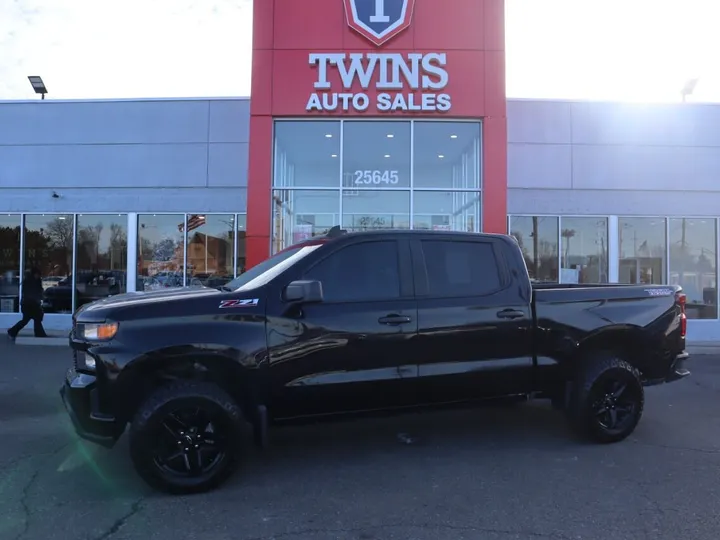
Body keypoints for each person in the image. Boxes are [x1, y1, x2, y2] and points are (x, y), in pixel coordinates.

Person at [7, 267, 48, 341]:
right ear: (34, 274)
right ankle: (12, 331)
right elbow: (29, 292)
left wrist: (40, 297)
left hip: (32, 304)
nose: (38, 276)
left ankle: (39, 333)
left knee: (35, 319)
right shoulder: (29, 281)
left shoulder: (36, 281)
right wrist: (38, 297)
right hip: (28, 304)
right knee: (28, 319)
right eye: (37, 274)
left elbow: (38, 290)